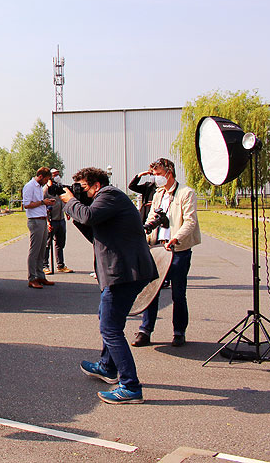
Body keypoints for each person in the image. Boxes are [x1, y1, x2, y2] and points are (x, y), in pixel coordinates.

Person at [60, 167, 157, 404]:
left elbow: (90, 217)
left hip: (124, 273)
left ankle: (130, 386)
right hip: (122, 272)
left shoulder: (110, 195)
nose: (79, 192)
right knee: (108, 318)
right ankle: (107, 367)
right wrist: (73, 211)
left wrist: (71, 202)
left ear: (95, 185)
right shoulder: (105, 201)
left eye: (82, 187)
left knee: (110, 329)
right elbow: (94, 232)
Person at [132, 158, 201, 348]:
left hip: (178, 250)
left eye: (158, 174)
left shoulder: (186, 193)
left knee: (178, 293)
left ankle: (179, 332)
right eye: (154, 175)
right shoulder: (157, 194)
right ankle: (145, 331)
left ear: (168, 173)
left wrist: (176, 237)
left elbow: (190, 221)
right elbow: (154, 216)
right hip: (156, 248)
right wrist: (145, 229)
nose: (156, 178)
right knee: (150, 290)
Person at [21, 167, 55, 289]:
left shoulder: (39, 187)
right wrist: (43, 202)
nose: (46, 182)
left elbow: (40, 203)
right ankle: (32, 278)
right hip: (35, 221)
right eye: (46, 179)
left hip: (42, 219)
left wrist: (46, 203)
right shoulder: (29, 186)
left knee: (42, 250)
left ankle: (40, 276)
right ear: (40, 176)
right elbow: (27, 204)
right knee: (34, 251)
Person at [44, 168, 73, 274]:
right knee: (47, 244)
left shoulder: (60, 187)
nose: (57, 176)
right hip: (51, 220)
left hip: (61, 219)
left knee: (60, 243)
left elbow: (63, 200)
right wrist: (47, 221)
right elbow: (43, 206)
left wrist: (67, 212)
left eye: (58, 174)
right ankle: (44, 265)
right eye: (55, 174)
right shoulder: (46, 189)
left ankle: (60, 265)